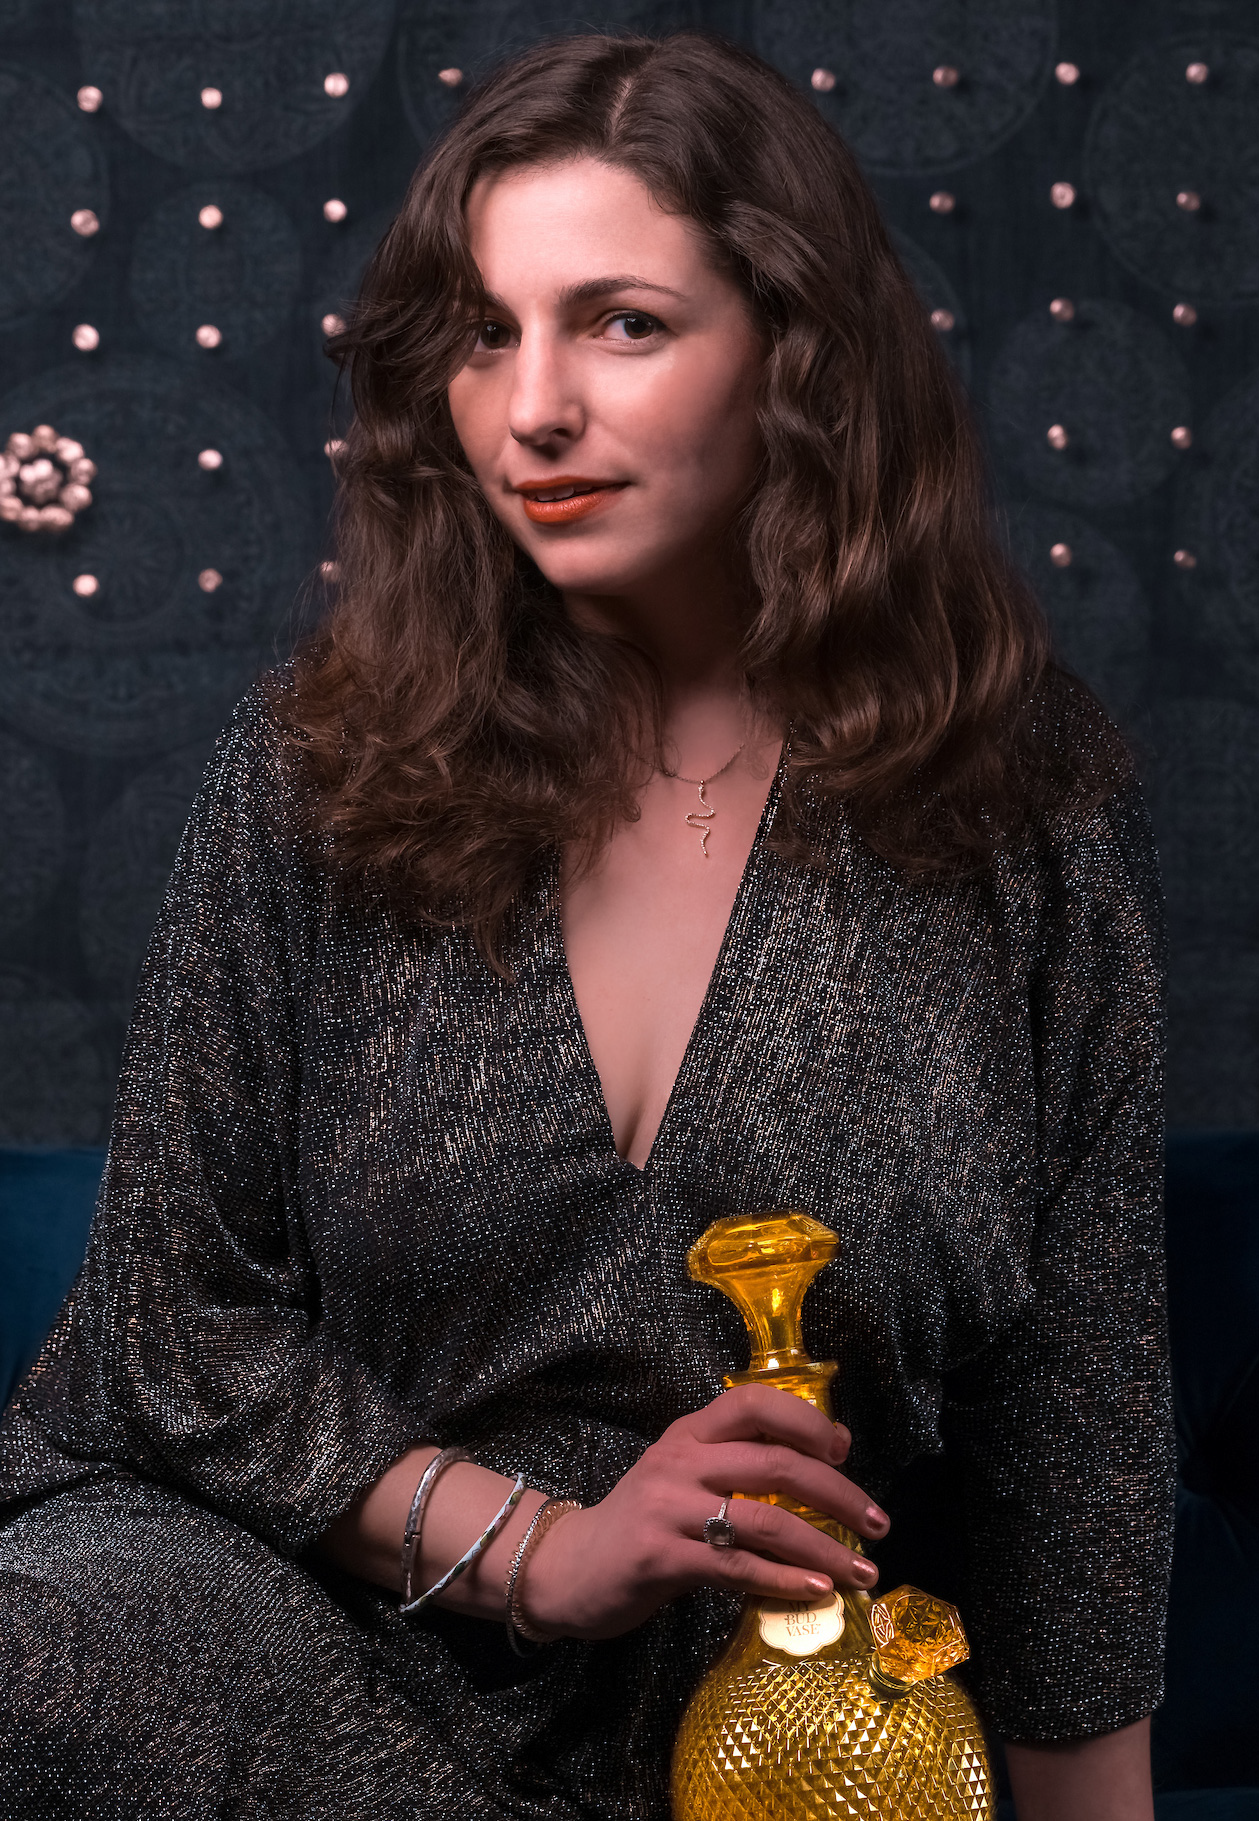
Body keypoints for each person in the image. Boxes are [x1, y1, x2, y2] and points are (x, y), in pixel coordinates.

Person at [0, 30, 1172, 1821]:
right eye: (485, 332)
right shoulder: (316, 767)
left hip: (777, 1727)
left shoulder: (1018, 800)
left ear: (796, 356)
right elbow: (170, 1322)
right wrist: (542, 1549)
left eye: (620, 322)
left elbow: (1070, 1429)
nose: (531, 406)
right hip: (311, 1644)